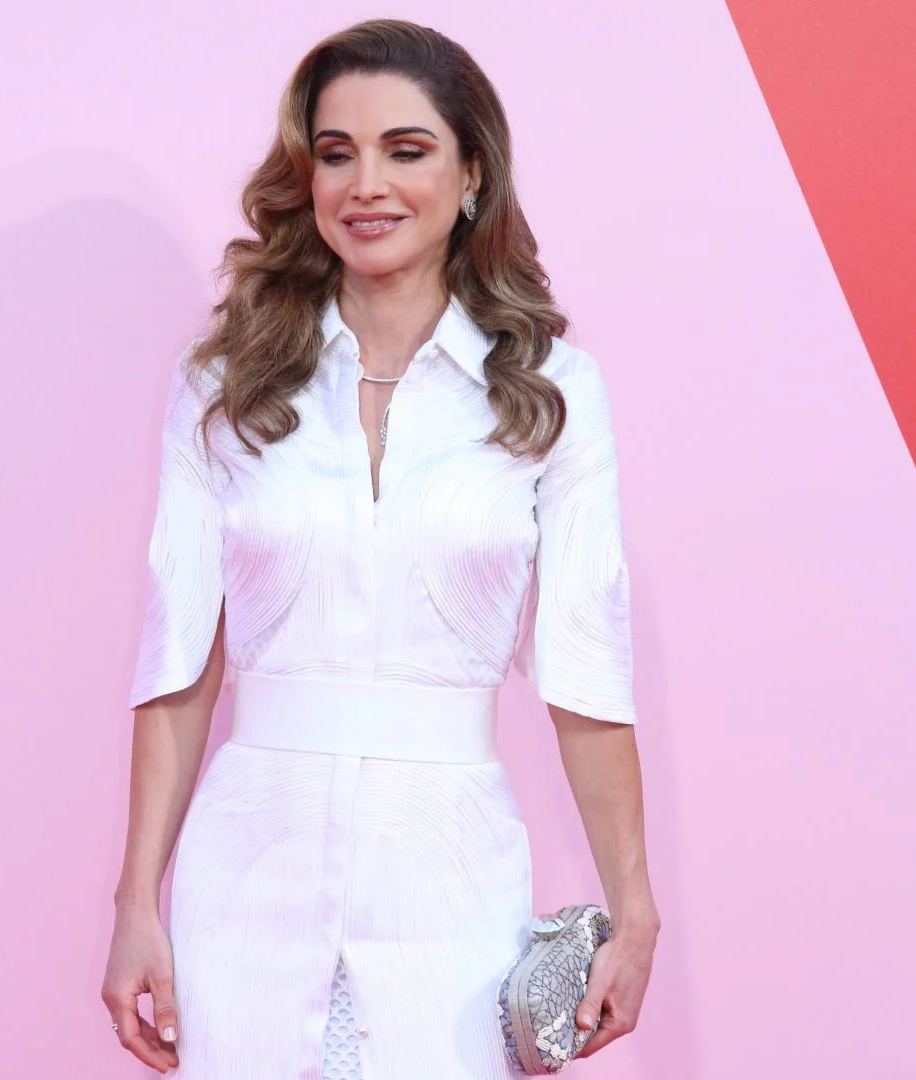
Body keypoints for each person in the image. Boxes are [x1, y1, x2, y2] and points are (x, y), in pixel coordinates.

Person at [101, 17, 659, 1080]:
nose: (367, 185)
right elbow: (177, 663)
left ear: (471, 175)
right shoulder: (222, 386)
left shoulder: (554, 393)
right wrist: (136, 903)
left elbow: (587, 669)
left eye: (406, 150)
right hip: (243, 882)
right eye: (335, 152)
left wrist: (634, 911)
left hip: (449, 879)